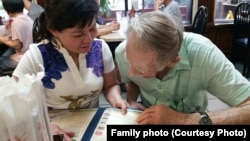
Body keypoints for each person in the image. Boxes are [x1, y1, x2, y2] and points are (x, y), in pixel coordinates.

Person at [12, 0, 128, 140]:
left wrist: (117, 99)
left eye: (92, 29)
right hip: (52, 128)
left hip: (92, 125)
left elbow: (110, 85)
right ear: (54, 30)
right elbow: (13, 103)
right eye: (78, 35)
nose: (88, 39)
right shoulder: (37, 55)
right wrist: (44, 127)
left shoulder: (100, 48)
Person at [115, 11, 250, 125]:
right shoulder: (122, 52)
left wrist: (184, 120)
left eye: (140, 69)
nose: (131, 72)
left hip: (193, 118)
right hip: (147, 115)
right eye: (129, 62)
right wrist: (131, 100)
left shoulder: (205, 54)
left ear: (173, 61)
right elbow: (131, 80)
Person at [0, 0, 33, 74]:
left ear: (8, 10)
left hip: (24, 57)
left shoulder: (16, 23)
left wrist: (2, 39)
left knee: (1, 63)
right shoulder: (28, 18)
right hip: (31, 52)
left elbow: (17, 45)